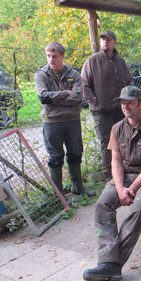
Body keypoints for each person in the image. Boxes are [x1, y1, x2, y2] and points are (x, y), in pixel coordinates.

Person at [83, 86, 141, 281]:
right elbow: (116, 162)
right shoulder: (116, 128)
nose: (125, 106)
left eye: (129, 102)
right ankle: (108, 265)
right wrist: (120, 188)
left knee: (139, 207)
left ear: (140, 103)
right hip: (123, 177)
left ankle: (111, 267)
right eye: (122, 102)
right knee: (102, 205)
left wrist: (134, 187)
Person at [34, 42, 95, 198]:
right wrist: (64, 93)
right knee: (55, 157)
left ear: (62, 56)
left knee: (76, 153)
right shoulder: (41, 74)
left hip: (72, 120)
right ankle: (59, 195)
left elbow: (77, 97)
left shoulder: (73, 74)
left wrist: (56, 98)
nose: (51, 59)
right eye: (48, 56)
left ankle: (78, 186)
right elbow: (43, 98)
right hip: (52, 122)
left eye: (54, 56)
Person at [81, 30, 133, 181]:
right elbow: (84, 83)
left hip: (121, 109)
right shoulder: (92, 61)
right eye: (103, 39)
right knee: (107, 144)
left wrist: (129, 98)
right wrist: (94, 101)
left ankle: (125, 172)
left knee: (124, 140)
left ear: (114, 42)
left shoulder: (121, 61)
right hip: (101, 112)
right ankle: (110, 177)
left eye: (108, 39)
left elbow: (129, 80)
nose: (105, 41)